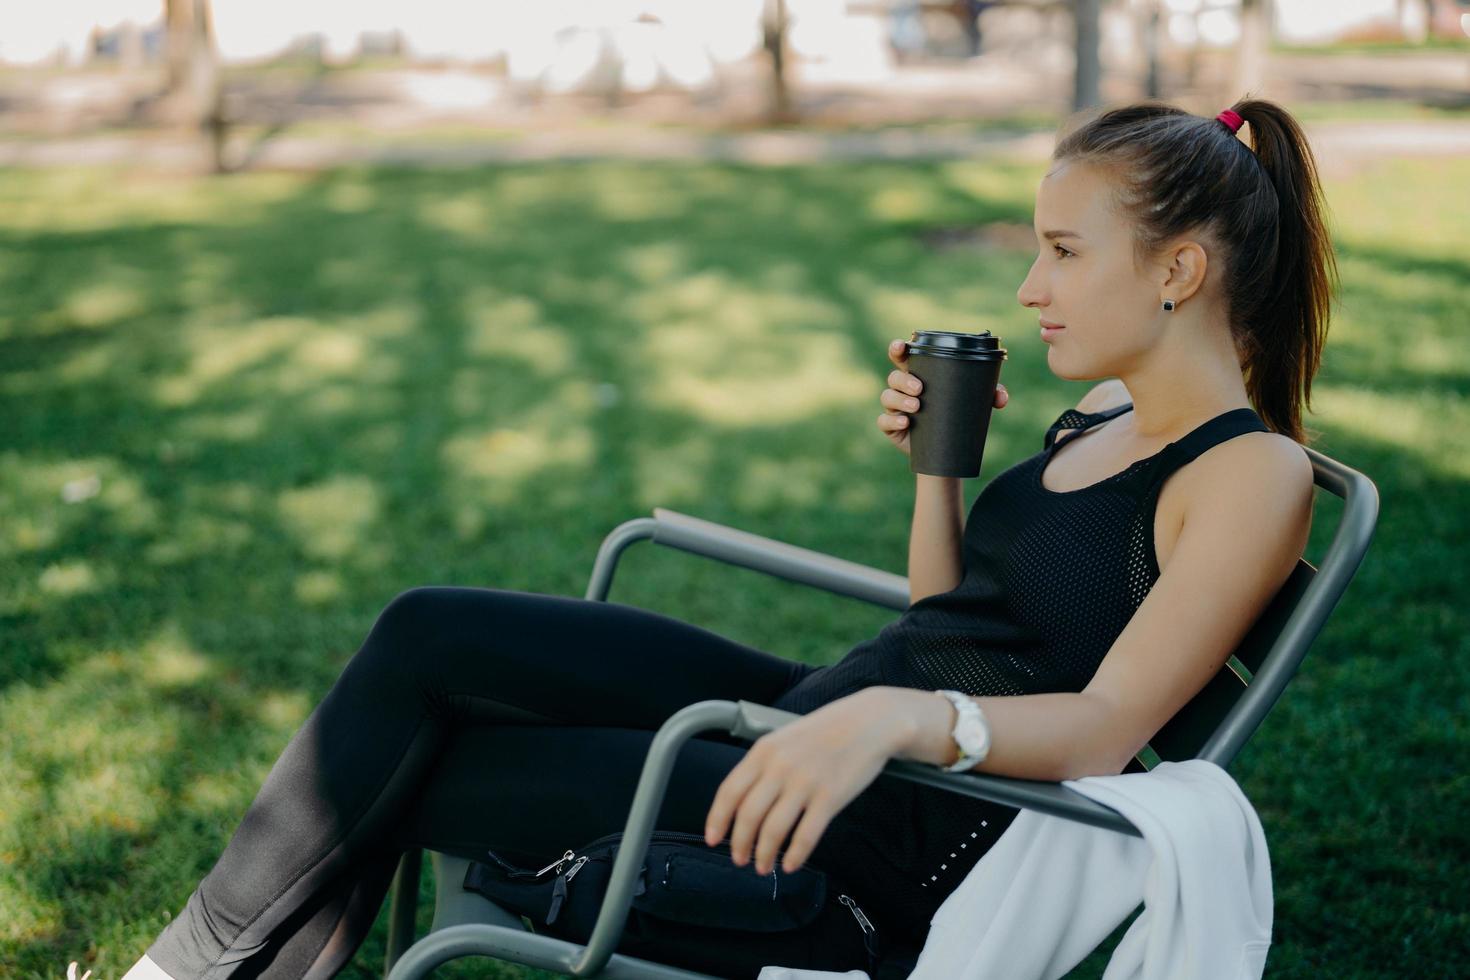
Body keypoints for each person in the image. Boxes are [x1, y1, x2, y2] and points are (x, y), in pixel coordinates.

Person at [86, 96, 1330, 980]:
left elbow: (1109, 729)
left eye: (1061, 251)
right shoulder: (1103, 413)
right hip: (830, 714)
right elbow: (951, 613)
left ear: (1177, 269)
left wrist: (900, 722)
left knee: (417, 769)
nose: (1029, 287)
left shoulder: (1250, 475)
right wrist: (935, 477)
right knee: (428, 636)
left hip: (887, 819)